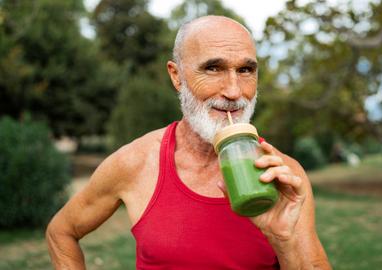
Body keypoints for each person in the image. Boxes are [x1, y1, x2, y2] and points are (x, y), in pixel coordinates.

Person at [46, 15, 331, 270]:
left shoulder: (284, 177)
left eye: (245, 70)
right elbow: (61, 232)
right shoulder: (134, 162)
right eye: (213, 68)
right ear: (177, 76)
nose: (233, 91)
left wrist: (286, 240)